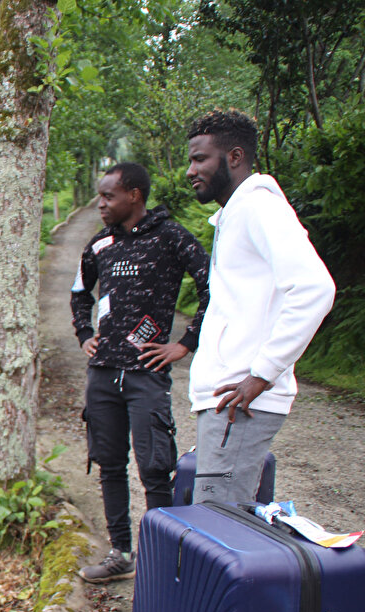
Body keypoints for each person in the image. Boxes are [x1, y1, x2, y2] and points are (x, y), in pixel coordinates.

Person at [185, 110, 335, 504]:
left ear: (234, 157)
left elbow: (315, 287)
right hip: (228, 400)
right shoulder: (235, 214)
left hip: (242, 400)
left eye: (200, 159)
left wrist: (262, 374)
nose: (190, 170)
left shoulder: (258, 207)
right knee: (219, 530)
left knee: (217, 531)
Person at [72, 162, 210, 583]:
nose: (100, 204)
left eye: (108, 196)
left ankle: (161, 559)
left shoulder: (171, 237)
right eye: (99, 196)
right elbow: (80, 293)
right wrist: (84, 334)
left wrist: (185, 343)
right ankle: (120, 553)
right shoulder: (99, 244)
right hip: (103, 374)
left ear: (134, 194)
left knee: (154, 465)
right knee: (109, 462)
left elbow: (214, 287)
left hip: (146, 373)